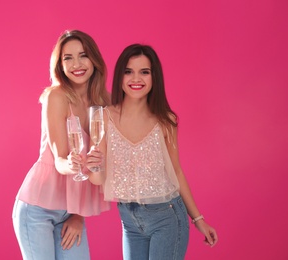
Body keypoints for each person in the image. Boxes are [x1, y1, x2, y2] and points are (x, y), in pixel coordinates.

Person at [87, 44, 218, 259]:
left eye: (144, 72)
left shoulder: (166, 121)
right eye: (128, 71)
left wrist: (198, 219)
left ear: (154, 77)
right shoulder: (103, 118)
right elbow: (97, 179)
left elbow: (176, 172)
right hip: (129, 220)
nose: (135, 79)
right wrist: (94, 165)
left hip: (167, 216)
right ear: (120, 75)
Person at [12, 29, 111, 260]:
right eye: (68, 57)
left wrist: (78, 215)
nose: (77, 63)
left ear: (94, 60)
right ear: (60, 65)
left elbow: (99, 170)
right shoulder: (56, 96)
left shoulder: (103, 104)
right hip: (37, 208)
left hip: (70, 212)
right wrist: (72, 164)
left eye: (83, 55)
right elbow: (59, 160)